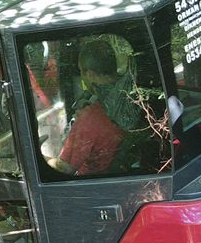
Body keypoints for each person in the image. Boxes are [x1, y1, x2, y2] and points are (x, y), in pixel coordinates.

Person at [46, 37, 140, 176]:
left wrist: (42, 158)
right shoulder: (133, 95)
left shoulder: (90, 118)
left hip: (91, 182)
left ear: (89, 74)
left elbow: (65, 169)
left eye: (81, 71)